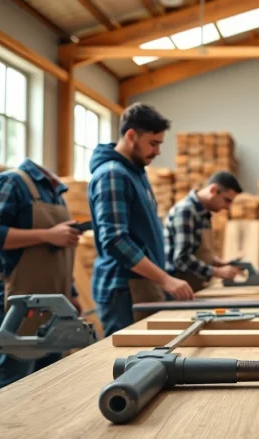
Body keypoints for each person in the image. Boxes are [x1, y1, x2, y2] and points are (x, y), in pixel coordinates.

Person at [0, 158, 83, 393]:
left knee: (50, 381)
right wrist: (47, 235)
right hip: (15, 301)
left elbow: (56, 253)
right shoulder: (10, 183)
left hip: (53, 303)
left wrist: (71, 294)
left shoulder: (56, 194)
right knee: (12, 383)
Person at [87, 102, 193, 337]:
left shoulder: (135, 173)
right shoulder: (113, 174)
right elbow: (115, 241)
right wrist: (165, 279)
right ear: (131, 135)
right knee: (128, 367)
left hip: (141, 283)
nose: (157, 152)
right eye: (153, 143)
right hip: (124, 290)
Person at [163, 171, 244, 292]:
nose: (228, 207)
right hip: (180, 289)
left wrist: (219, 263)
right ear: (213, 190)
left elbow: (198, 252)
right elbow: (182, 259)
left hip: (196, 286)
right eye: (227, 200)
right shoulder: (186, 211)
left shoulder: (204, 214)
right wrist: (217, 272)